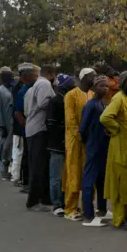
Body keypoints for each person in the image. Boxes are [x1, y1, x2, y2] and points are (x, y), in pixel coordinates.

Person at [100, 71, 127, 230]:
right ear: (123, 83)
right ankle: (119, 219)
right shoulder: (118, 98)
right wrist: (117, 129)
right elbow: (105, 117)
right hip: (121, 148)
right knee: (119, 183)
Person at [63, 68, 95, 221]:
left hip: (88, 141)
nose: (94, 79)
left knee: (87, 174)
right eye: (92, 77)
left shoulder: (93, 94)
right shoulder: (71, 95)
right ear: (84, 78)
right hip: (75, 140)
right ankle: (70, 208)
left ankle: (86, 206)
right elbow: (70, 120)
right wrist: (79, 135)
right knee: (74, 173)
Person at [79, 75, 110, 227]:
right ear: (94, 88)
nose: (105, 89)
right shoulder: (91, 105)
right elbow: (83, 128)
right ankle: (88, 215)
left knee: (102, 179)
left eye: (107, 86)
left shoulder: (101, 104)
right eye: (102, 86)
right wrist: (89, 142)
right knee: (89, 181)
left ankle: (102, 209)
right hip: (94, 146)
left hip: (103, 147)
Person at [25, 65, 56, 212]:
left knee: (41, 165)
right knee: (38, 166)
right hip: (38, 129)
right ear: (50, 74)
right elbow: (44, 103)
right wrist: (55, 100)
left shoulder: (37, 84)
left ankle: (44, 198)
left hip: (33, 127)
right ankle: (33, 201)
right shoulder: (44, 83)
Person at [47, 74, 74, 217]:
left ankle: (65, 202)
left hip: (68, 142)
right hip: (57, 144)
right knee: (56, 176)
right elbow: (51, 124)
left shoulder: (68, 99)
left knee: (66, 175)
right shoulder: (56, 101)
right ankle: (56, 204)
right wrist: (62, 138)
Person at [12, 64, 37, 189]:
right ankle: (26, 182)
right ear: (27, 77)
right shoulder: (23, 91)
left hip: (32, 129)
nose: (36, 77)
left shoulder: (33, 88)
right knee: (27, 155)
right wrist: (27, 126)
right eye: (34, 75)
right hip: (27, 130)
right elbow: (18, 112)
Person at [0, 69, 15, 180]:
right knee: (3, 147)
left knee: (10, 148)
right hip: (3, 125)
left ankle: (8, 169)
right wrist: (1, 126)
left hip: (11, 124)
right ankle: (3, 170)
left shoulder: (11, 89)